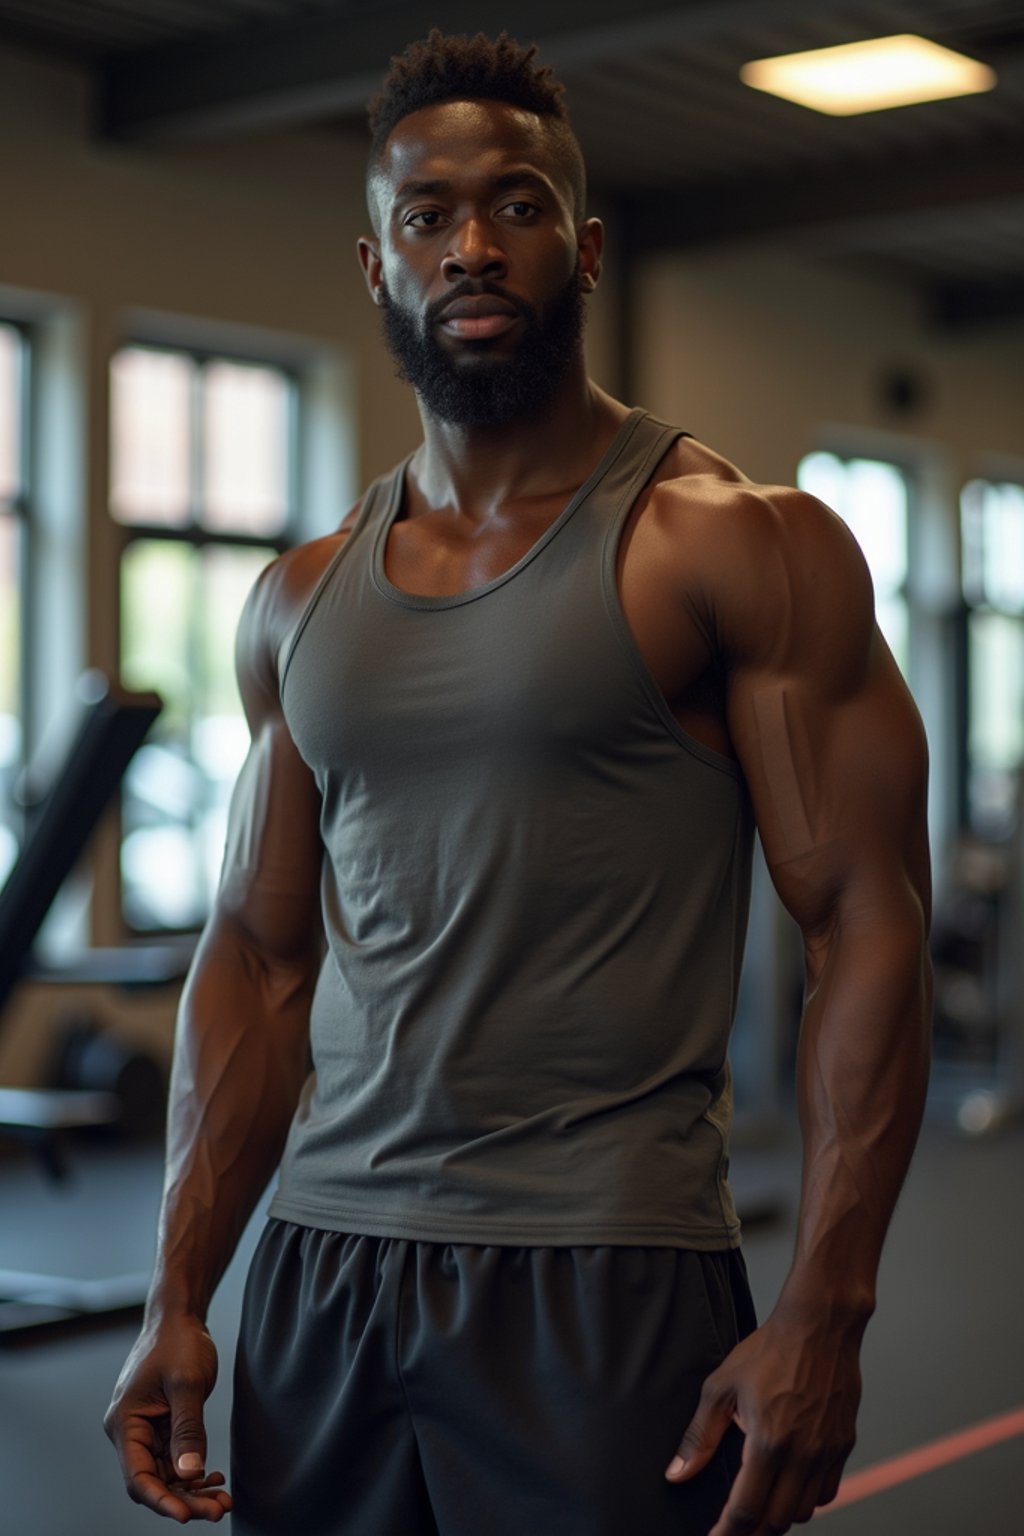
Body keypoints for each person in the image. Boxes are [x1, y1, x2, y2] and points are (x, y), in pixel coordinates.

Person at [104, 28, 932, 1536]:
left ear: (587, 246)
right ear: (377, 263)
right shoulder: (296, 599)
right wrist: (178, 1288)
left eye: (520, 206)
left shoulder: (735, 543)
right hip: (323, 1268)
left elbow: (866, 922)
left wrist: (826, 1309)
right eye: (430, 216)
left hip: (602, 1273)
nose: (474, 247)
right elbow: (257, 955)